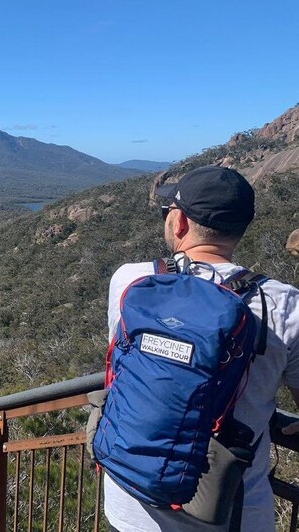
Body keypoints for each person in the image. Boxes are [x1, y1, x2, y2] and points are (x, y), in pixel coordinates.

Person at [103, 165, 299, 531]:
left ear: (178, 222)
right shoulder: (285, 305)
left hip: (128, 506)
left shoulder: (131, 280)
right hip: (229, 514)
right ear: (239, 230)